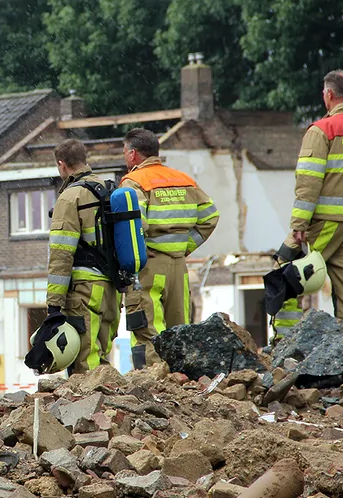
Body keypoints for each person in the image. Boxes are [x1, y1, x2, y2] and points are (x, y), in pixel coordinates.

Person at [120, 128, 219, 368]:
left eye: (124, 152)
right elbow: (210, 216)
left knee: (148, 329)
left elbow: (136, 223)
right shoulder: (183, 179)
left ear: (133, 154)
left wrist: (140, 250)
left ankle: (154, 383)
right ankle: (180, 381)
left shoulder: (134, 182)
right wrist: (184, 247)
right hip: (178, 268)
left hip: (149, 266)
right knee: (179, 330)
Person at [274, 70, 343, 335]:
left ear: (328, 95)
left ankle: (285, 341)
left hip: (324, 222)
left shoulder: (322, 130)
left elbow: (308, 181)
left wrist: (299, 223)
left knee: (285, 272)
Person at [42, 139, 120, 373]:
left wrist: (53, 306)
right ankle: (106, 407)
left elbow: (61, 255)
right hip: (112, 289)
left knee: (84, 361)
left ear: (61, 165)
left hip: (85, 291)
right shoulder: (109, 190)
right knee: (101, 355)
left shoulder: (69, 197)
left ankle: (89, 407)